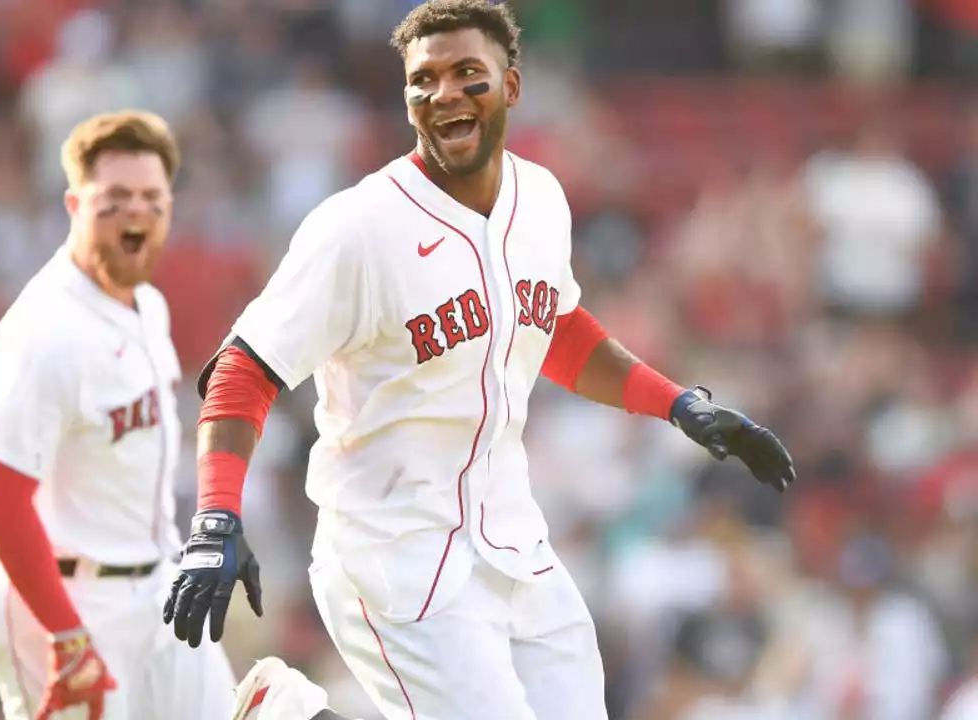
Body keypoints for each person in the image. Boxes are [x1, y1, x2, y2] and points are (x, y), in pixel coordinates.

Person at [165, 3, 796, 720]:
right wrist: (217, 517)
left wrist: (677, 403)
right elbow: (241, 369)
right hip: (393, 550)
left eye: (468, 75)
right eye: (423, 81)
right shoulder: (357, 229)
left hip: (512, 537)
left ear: (512, 86)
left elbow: (552, 326)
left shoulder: (541, 200)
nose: (444, 95)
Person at [0, 110, 236, 720]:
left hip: (153, 581)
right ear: (74, 204)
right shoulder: (47, 331)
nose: (136, 212)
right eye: (114, 197)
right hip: (71, 608)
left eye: (151, 197)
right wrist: (64, 632)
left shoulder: (148, 306)